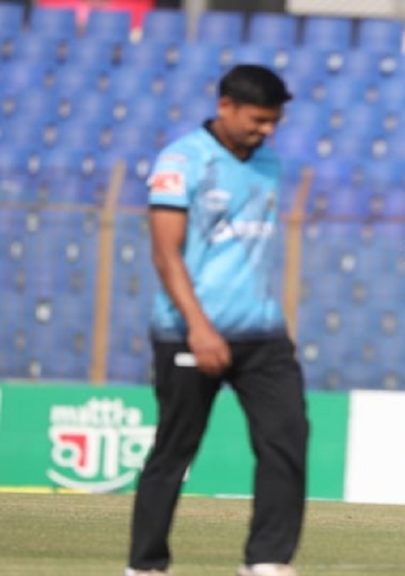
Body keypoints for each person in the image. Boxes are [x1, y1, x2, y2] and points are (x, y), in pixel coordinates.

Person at [125, 65, 307, 576]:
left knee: (287, 438)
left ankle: (267, 561)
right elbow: (166, 254)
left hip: (262, 332)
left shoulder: (269, 161)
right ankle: (145, 565)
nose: (266, 131)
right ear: (225, 105)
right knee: (175, 450)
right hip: (189, 330)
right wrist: (199, 327)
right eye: (258, 120)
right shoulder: (181, 161)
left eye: (273, 122)